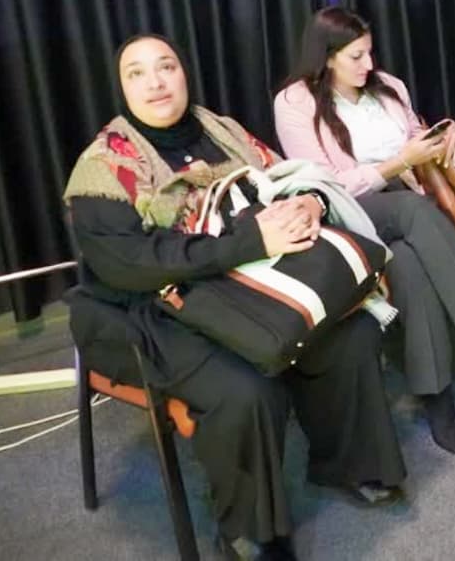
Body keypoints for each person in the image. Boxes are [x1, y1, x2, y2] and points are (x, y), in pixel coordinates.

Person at [64, 35, 406, 561]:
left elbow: (285, 178)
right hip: (153, 309)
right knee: (247, 388)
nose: (155, 82)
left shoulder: (221, 131)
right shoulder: (103, 167)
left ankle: (346, 463)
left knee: (351, 330)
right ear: (122, 87)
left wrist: (311, 204)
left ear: (184, 72)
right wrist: (248, 242)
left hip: (247, 282)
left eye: (166, 67)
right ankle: (250, 527)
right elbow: (129, 265)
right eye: (137, 73)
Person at [274, 6, 455, 455]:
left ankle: (435, 392)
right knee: (411, 208)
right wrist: (396, 164)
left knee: (409, 263)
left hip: (404, 208)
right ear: (326, 56)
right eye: (356, 57)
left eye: (370, 53)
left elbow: (417, 137)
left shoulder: (389, 87)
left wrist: (446, 132)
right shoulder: (294, 103)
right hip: (344, 213)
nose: (368, 65)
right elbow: (323, 184)